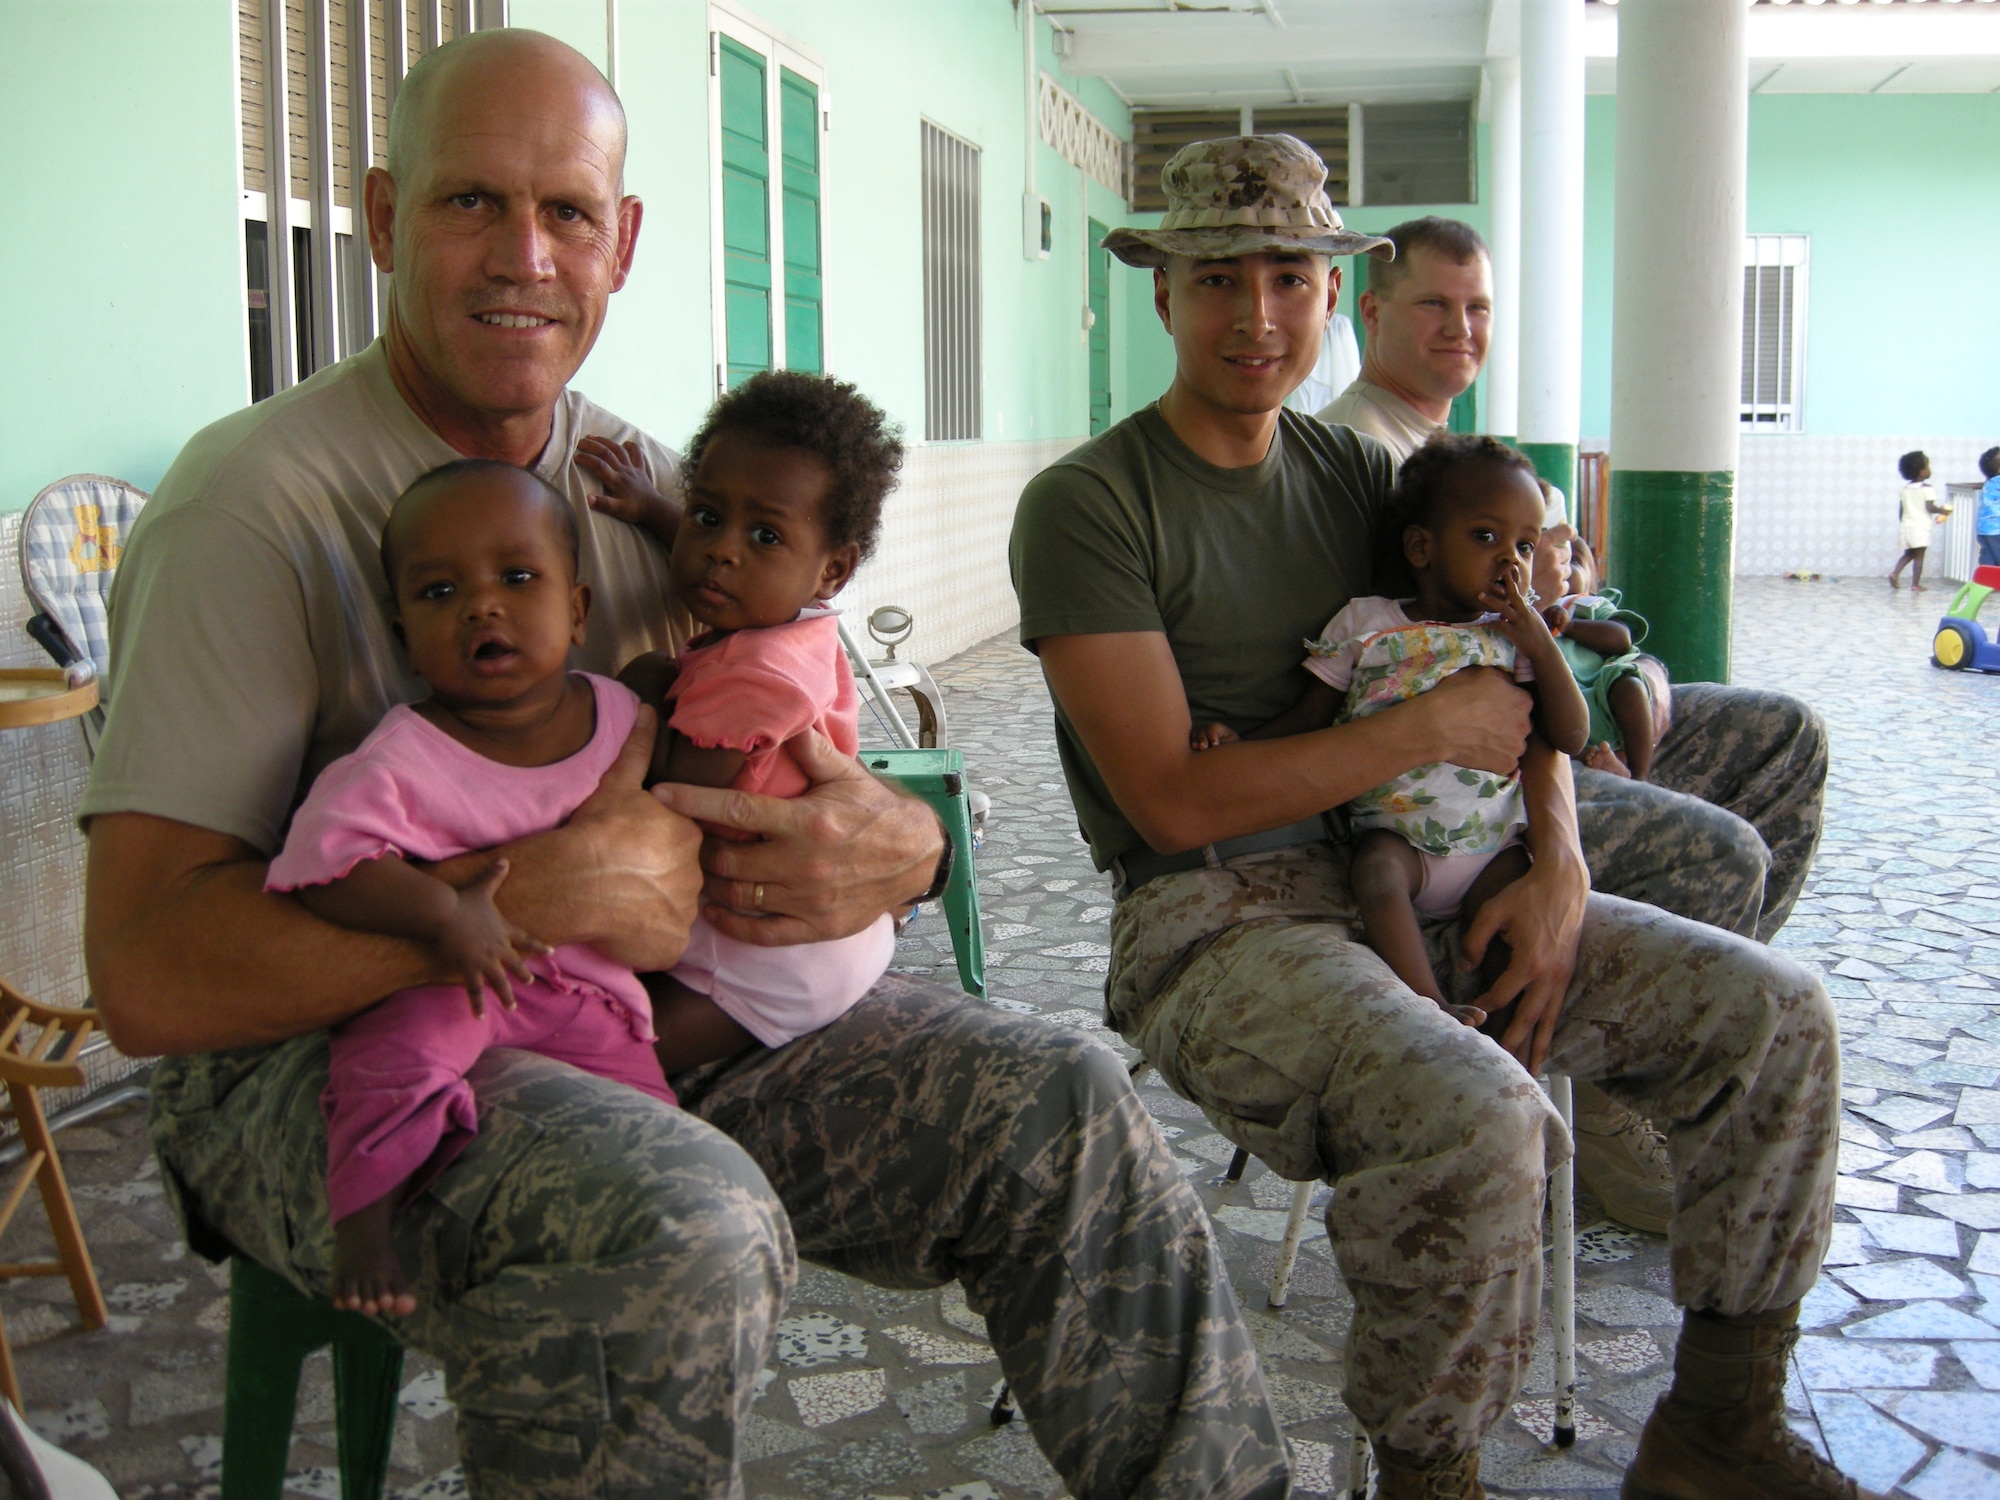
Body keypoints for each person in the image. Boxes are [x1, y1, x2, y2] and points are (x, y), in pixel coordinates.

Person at [81, 32, 1289, 1498]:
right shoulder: (253, 512)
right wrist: (522, 899)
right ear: (387, 216)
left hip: (634, 1024)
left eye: (568, 212)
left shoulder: (653, 493)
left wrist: (907, 857)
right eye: (472, 204)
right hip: (336, 1072)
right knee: (676, 1224)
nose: (523, 255)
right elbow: (146, 975)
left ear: (624, 241)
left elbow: (805, 752)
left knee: (1068, 1106)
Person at [1014, 133, 1866, 1500]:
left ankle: (1717, 1424)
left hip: (1429, 877)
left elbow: (1503, 664)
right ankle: (1431, 1480)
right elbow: (1168, 798)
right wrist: (1408, 737)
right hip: (1213, 919)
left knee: (1776, 1017)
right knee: (1477, 1115)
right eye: (1217, 278)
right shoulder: (1094, 504)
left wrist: (1563, 860)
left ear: (1330, 295)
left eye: (1289, 276)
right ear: (1161, 296)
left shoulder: (1354, 481)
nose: (1255, 315)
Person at [1315, 214, 1828, 1238]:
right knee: (1715, 853)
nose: (1459, 327)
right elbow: (1428, 677)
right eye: (1432, 305)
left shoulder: (1461, 444)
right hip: (1458, 781)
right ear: (1371, 312)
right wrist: (1560, 851)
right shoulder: (1354, 459)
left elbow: (1549, 612)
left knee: (1780, 738)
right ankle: (1622, 1088)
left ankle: (1628, 1050)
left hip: (1546, 721)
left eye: (1478, 308)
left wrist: (1600, 683)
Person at [267, 461, 679, 1318]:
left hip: (583, 992)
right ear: (400, 630)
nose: (480, 606)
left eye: (518, 579)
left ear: (578, 609)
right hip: (451, 978)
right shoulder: (400, 756)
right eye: (439, 591)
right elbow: (328, 865)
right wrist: (440, 912)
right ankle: (367, 1227)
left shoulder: (616, 719)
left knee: (658, 1126)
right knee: (392, 1064)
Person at [1195, 434, 1588, 1016]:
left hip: (1493, 844)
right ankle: (1427, 1004)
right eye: (1486, 536)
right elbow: (1310, 718)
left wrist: (1540, 643)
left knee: (1514, 929)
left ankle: (1500, 1030)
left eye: (1526, 546)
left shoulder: (1511, 639)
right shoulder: (1365, 624)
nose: (1511, 560)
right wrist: (1236, 745)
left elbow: (1570, 735)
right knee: (1374, 874)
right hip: (1400, 843)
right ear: (1421, 547)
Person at [590, 370, 901, 1070]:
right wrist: (651, 509)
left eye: (764, 533)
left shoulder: (755, 678)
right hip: (840, 932)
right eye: (705, 515)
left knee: (608, 1051)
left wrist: (638, 690)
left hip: (769, 959)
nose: (722, 550)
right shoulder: (790, 617)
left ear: (834, 570)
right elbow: (728, 557)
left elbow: (676, 797)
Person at [1533, 528, 1661, 783]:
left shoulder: (1590, 606)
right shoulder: (1533, 609)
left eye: (1571, 562)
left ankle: (1641, 776)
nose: (1561, 570)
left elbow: (1622, 640)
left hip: (1603, 692)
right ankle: (1597, 759)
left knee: (1630, 685)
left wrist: (1570, 626)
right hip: (1563, 702)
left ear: (1592, 577)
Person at [1888, 449, 1948, 592]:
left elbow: (1901, 511)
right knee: (1919, 556)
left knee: (1908, 554)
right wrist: (1943, 511)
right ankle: (1915, 584)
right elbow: (1930, 507)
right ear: (1922, 472)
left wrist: (1903, 524)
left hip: (1906, 526)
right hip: (1920, 527)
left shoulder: (1905, 489)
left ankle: (1895, 573)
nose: (1929, 470)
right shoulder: (1927, 489)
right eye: (1927, 466)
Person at [1978, 445, 2000, 569]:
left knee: (1989, 561)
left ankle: (1983, 582)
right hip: (1997, 529)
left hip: (1984, 529)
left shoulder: (1989, 482)